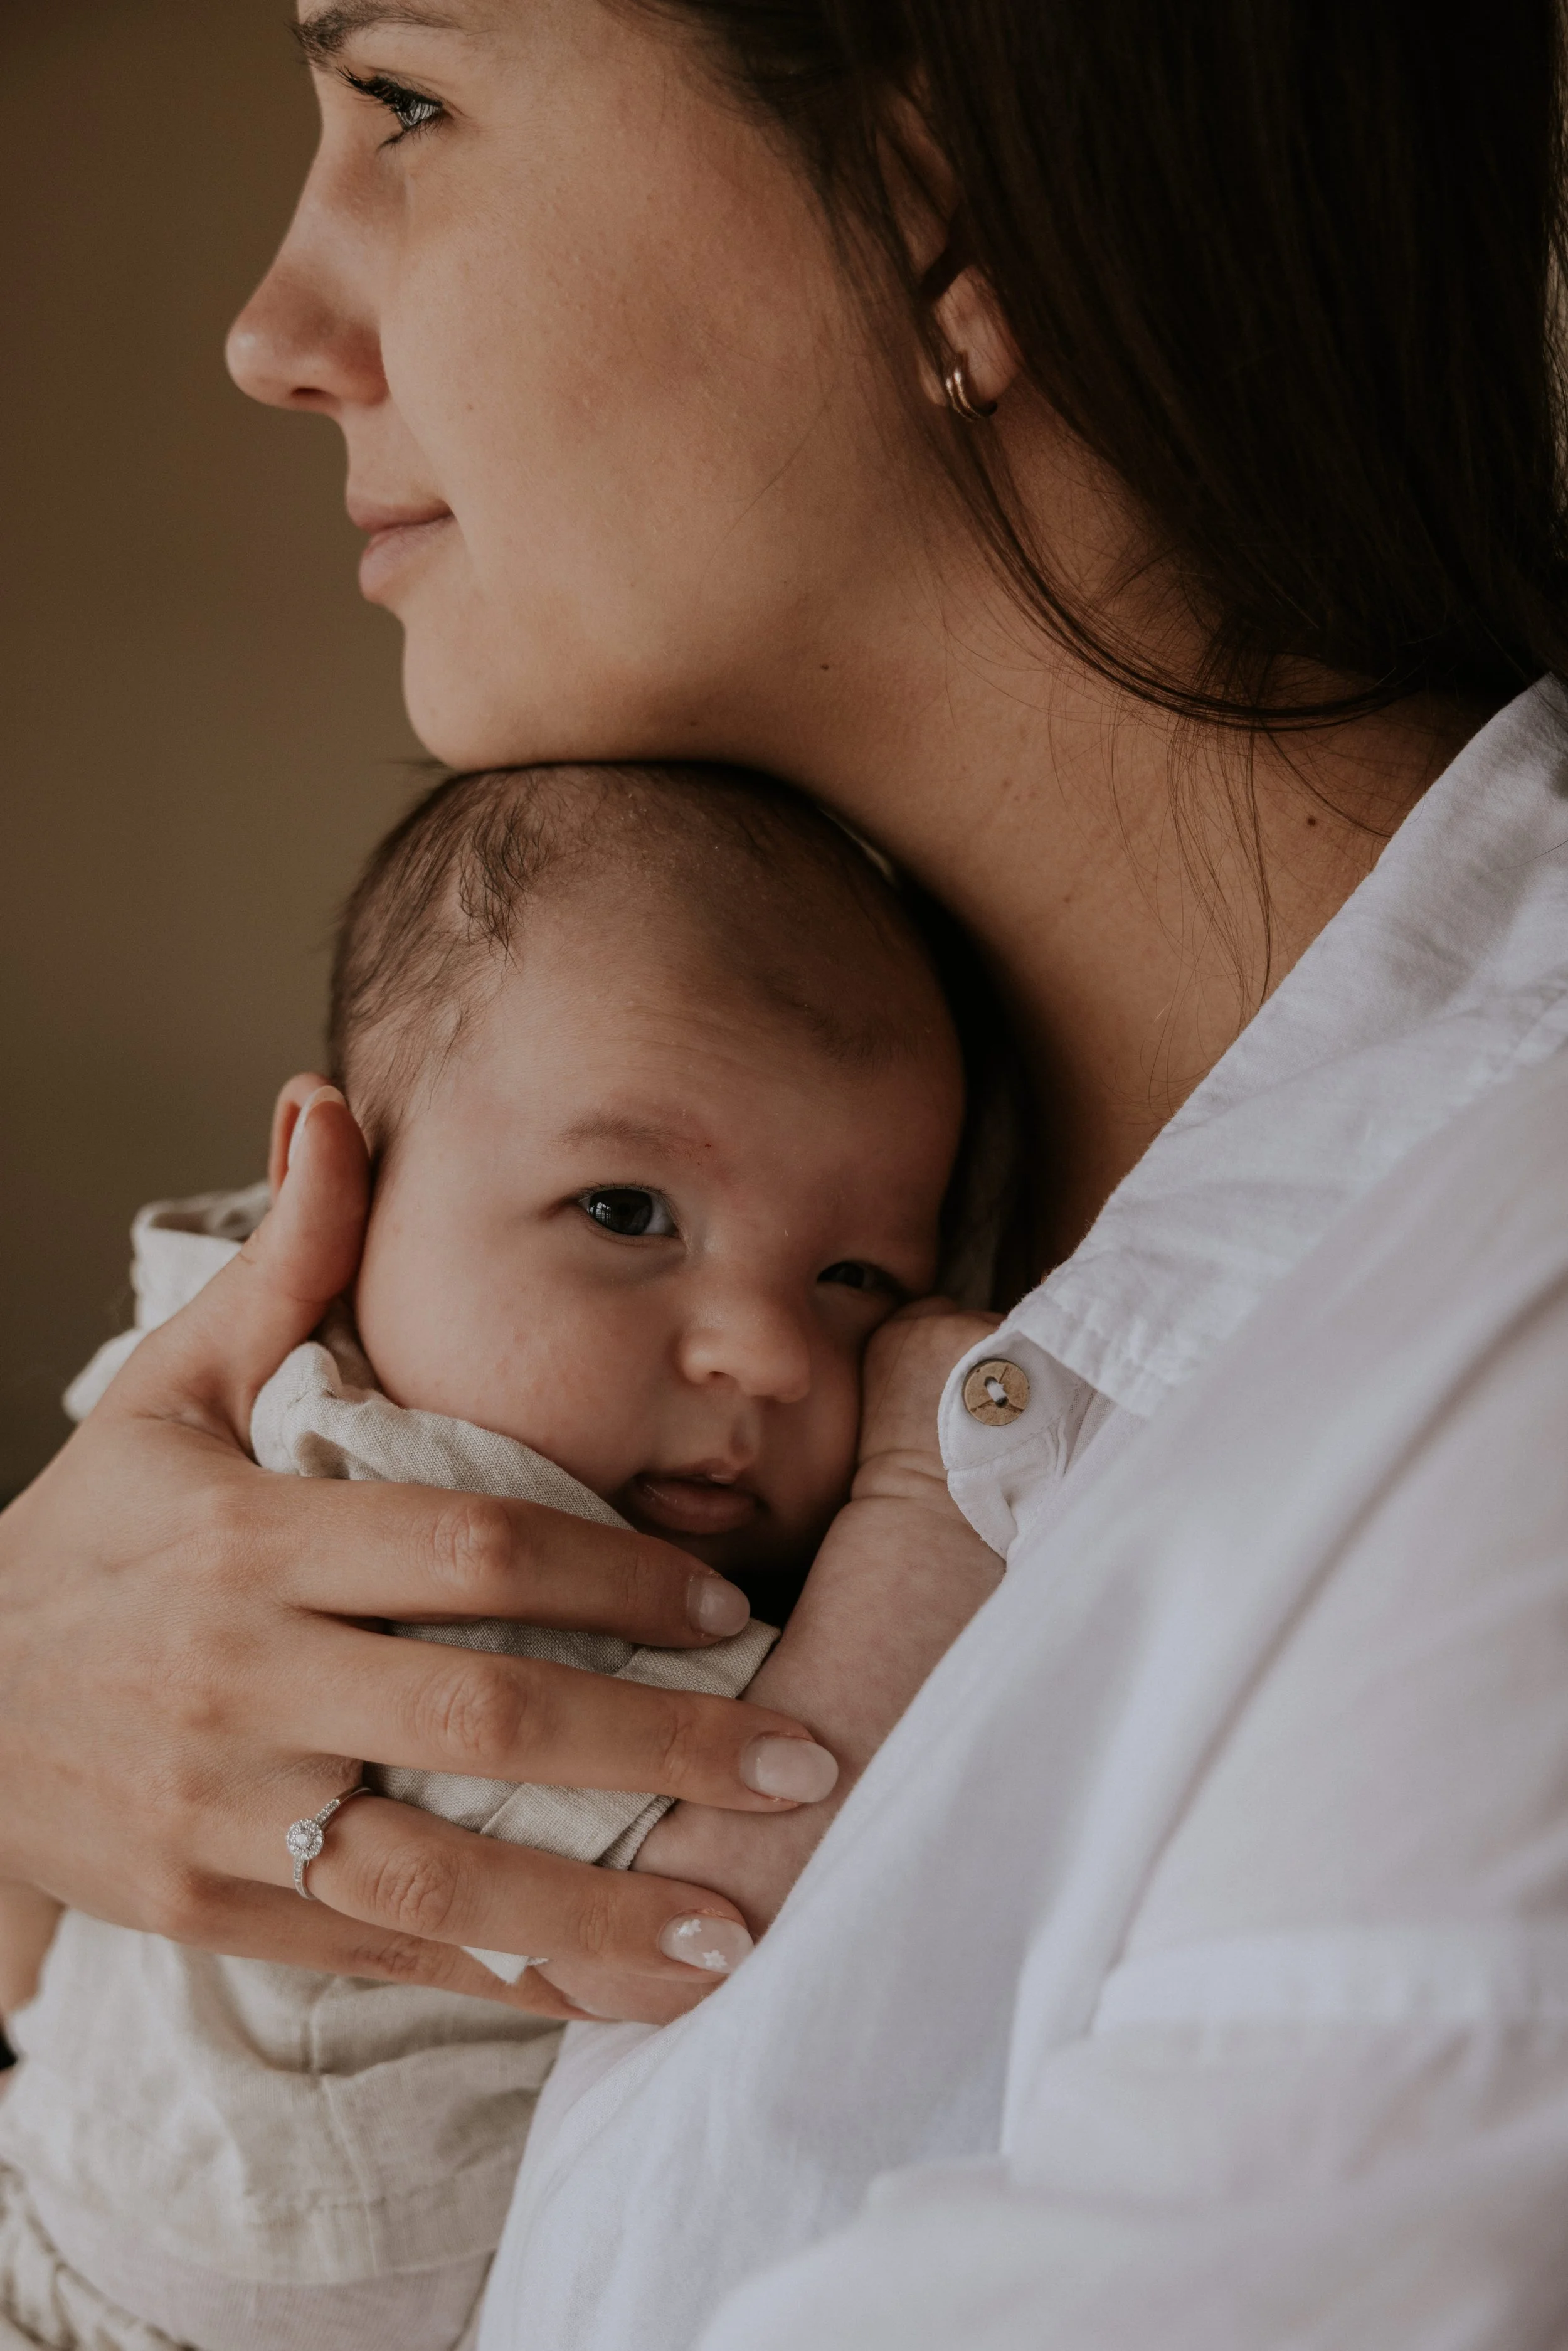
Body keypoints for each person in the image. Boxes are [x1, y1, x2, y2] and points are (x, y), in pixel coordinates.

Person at [3, 1, 1567, 2345]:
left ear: (937, 215)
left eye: (404, 100)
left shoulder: (1499, 1351)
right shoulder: (674, 1209)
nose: (270, 330)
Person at [0, 759, 1000, 2350]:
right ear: (336, 1190)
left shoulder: (201, 1399)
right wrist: (921, 1494)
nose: (768, 1352)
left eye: (856, 1275)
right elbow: (702, 1917)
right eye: (624, 1209)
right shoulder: (396, 1492)